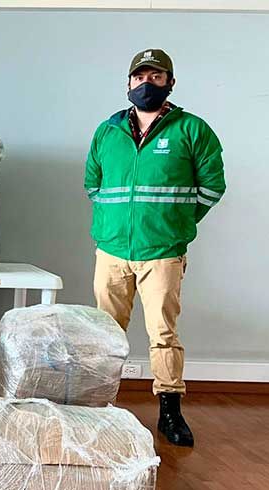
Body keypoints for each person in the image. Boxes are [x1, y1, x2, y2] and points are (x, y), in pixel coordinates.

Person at [84, 49, 226, 447]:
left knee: (163, 333)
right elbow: (93, 185)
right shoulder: (107, 131)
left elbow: (213, 186)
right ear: (128, 82)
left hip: (162, 252)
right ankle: (100, 406)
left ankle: (170, 411)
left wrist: (176, 223)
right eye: (140, 77)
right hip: (111, 251)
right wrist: (113, 225)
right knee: (105, 333)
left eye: (156, 77)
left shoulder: (192, 130)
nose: (146, 83)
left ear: (170, 83)